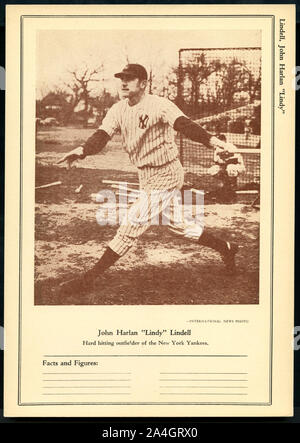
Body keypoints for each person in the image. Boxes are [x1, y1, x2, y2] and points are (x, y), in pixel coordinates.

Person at [58, 64, 239, 295]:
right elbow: (102, 136)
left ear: (143, 83)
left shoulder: (160, 105)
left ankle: (88, 278)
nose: (124, 82)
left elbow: (184, 125)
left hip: (167, 173)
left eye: (130, 78)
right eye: (122, 78)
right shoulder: (117, 109)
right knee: (179, 226)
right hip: (146, 175)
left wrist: (212, 141)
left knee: (130, 225)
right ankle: (227, 248)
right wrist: (82, 150)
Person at [207, 134, 245, 202]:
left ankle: (232, 188)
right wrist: (222, 168)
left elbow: (234, 161)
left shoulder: (230, 147)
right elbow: (217, 161)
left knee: (230, 168)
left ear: (224, 141)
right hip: (225, 166)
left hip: (237, 166)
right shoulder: (217, 149)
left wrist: (223, 166)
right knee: (212, 170)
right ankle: (226, 186)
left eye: (220, 141)